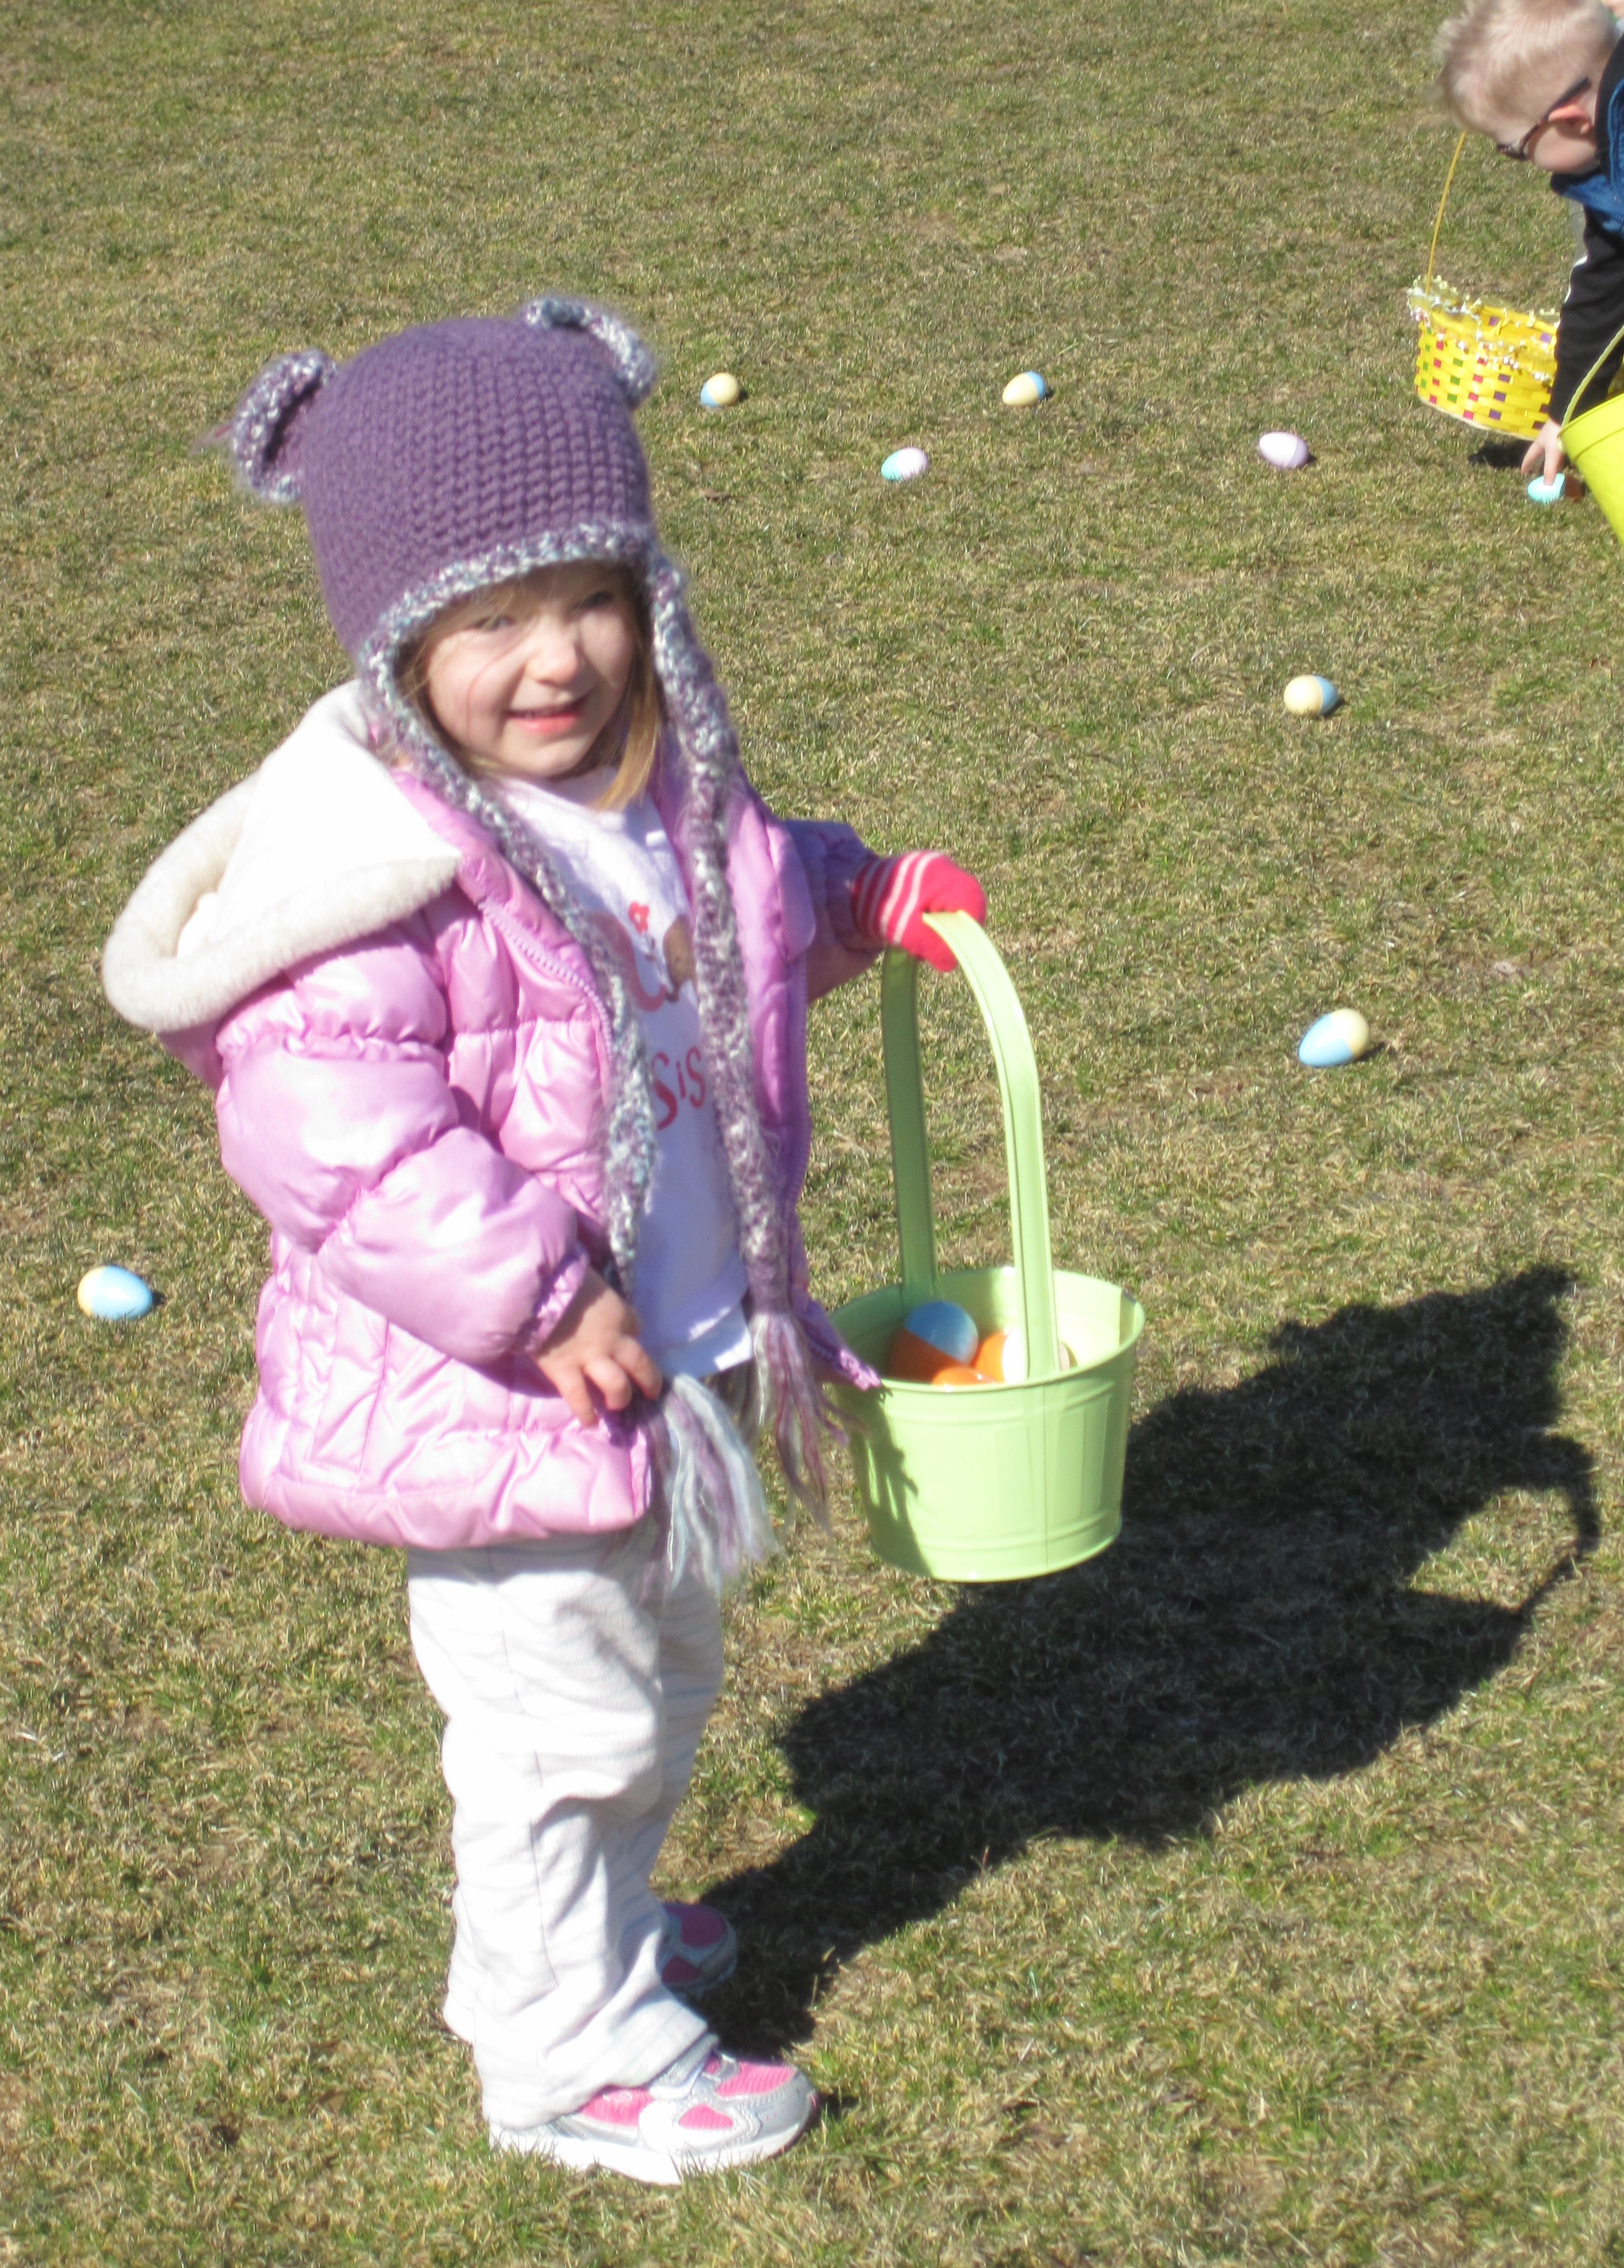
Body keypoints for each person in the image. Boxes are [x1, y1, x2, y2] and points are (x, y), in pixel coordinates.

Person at [101, 298, 985, 2183]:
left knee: (648, 1688)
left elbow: (742, 899)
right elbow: (337, 1137)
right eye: (489, 620)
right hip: (508, 1390)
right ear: (396, 641)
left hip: (660, 1360)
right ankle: (565, 2059)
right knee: (558, 1730)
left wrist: (853, 897)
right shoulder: (370, 865)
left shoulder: (652, 782)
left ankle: (580, 1933)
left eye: (591, 596)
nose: (556, 656)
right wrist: (537, 1290)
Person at [1434, 0, 1624, 483]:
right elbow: (1602, 290)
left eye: (1515, 149)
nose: (1519, 160)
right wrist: (1567, 415)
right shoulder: (1608, 168)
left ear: (1569, 120)